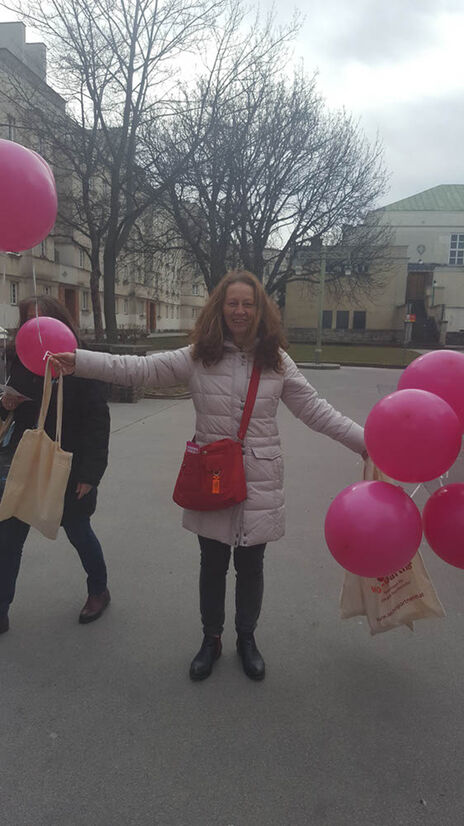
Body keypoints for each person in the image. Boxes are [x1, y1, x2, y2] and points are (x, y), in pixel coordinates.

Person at [51, 271, 366, 681]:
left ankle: (247, 638)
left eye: (247, 304)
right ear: (220, 308)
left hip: (259, 482)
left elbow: (318, 411)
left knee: (251, 567)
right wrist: (82, 361)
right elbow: (139, 369)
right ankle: (211, 638)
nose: (239, 311)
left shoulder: (276, 361)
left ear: (260, 310)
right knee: (212, 563)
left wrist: (366, 442)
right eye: (232, 303)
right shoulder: (200, 355)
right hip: (212, 478)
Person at [0, 296, 110, 635]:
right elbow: (11, 413)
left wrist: (90, 475)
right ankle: (1, 607)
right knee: (8, 537)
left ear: (59, 320)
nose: (36, 325)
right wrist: (6, 404)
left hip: (70, 463)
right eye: (29, 319)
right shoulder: (18, 357)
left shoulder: (80, 360)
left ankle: (98, 591)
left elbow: (97, 420)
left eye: (42, 318)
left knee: (78, 532)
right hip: (25, 459)